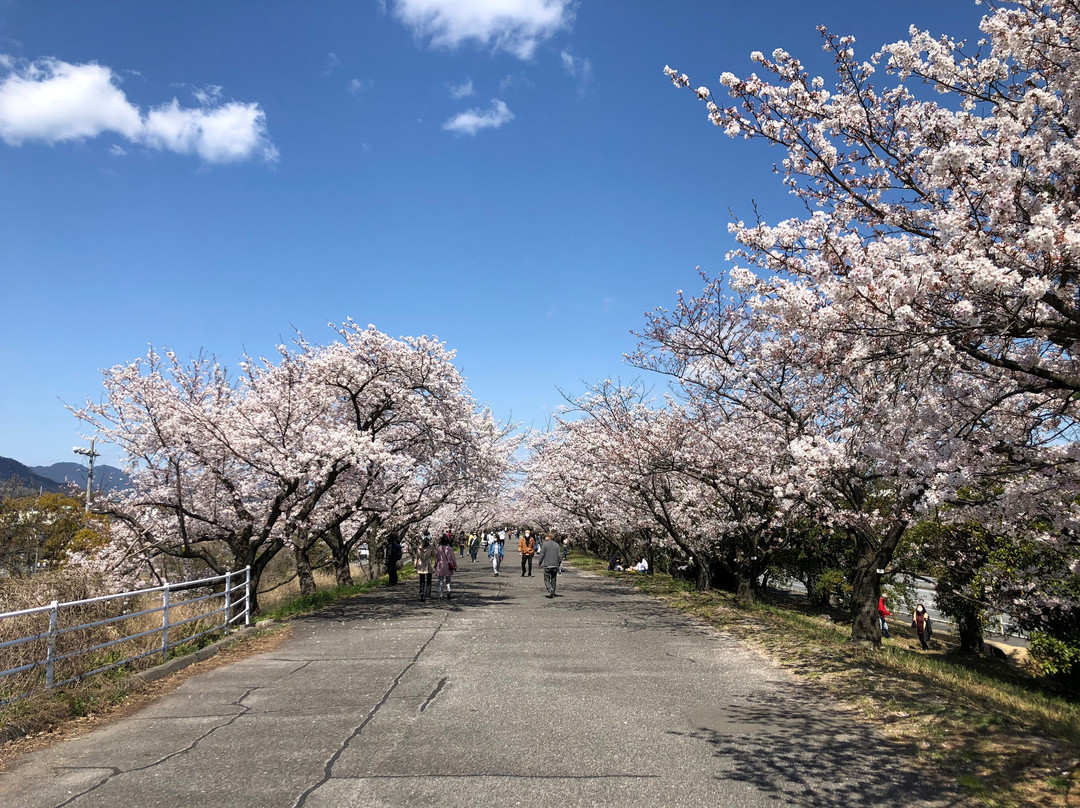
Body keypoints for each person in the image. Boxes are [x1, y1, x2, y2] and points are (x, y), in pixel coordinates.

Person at [537, 531, 562, 598]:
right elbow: (559, 555)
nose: (545, 537)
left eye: (546, 536)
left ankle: (549, 589)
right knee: (553, 579)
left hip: (547, 565)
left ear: (549, 537)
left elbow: (542, 555)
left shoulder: (545, 545)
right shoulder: (557, 545)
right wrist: (559, 562)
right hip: (554, 565)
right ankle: (553, 591)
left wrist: (539, 563)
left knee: (546, 579)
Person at [435, 535, 456, 599]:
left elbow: (437, 558)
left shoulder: (439, 549)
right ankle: (448, 591)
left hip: (440, 565)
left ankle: (441, 595)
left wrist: (435, 565)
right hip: (448, 565)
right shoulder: (450, 549)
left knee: (441, 581)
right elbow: (453, 558)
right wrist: (454, 565)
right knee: (448, 580)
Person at [415, 533, 435, 601]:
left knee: (422, 580)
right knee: (428, 581)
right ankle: (428, 595)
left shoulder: (419, 547)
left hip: (421, 564)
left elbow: (417, 556)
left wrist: (415, 564)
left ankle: (421, 593)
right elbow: (434, 555)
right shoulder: (431, 547)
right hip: (428, 564)